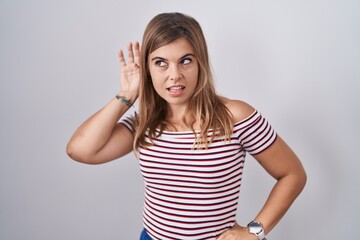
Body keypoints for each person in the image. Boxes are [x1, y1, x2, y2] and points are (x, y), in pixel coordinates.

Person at [66, 12, 306, 240]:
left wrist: (254, 231)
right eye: (160, 63)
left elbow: (292, 174)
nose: (175, 75)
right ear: (147, 68)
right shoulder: (144, 123)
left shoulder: (234, 116)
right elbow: (80, 150)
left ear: (200, 62)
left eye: (185, 61)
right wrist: (127, 94)